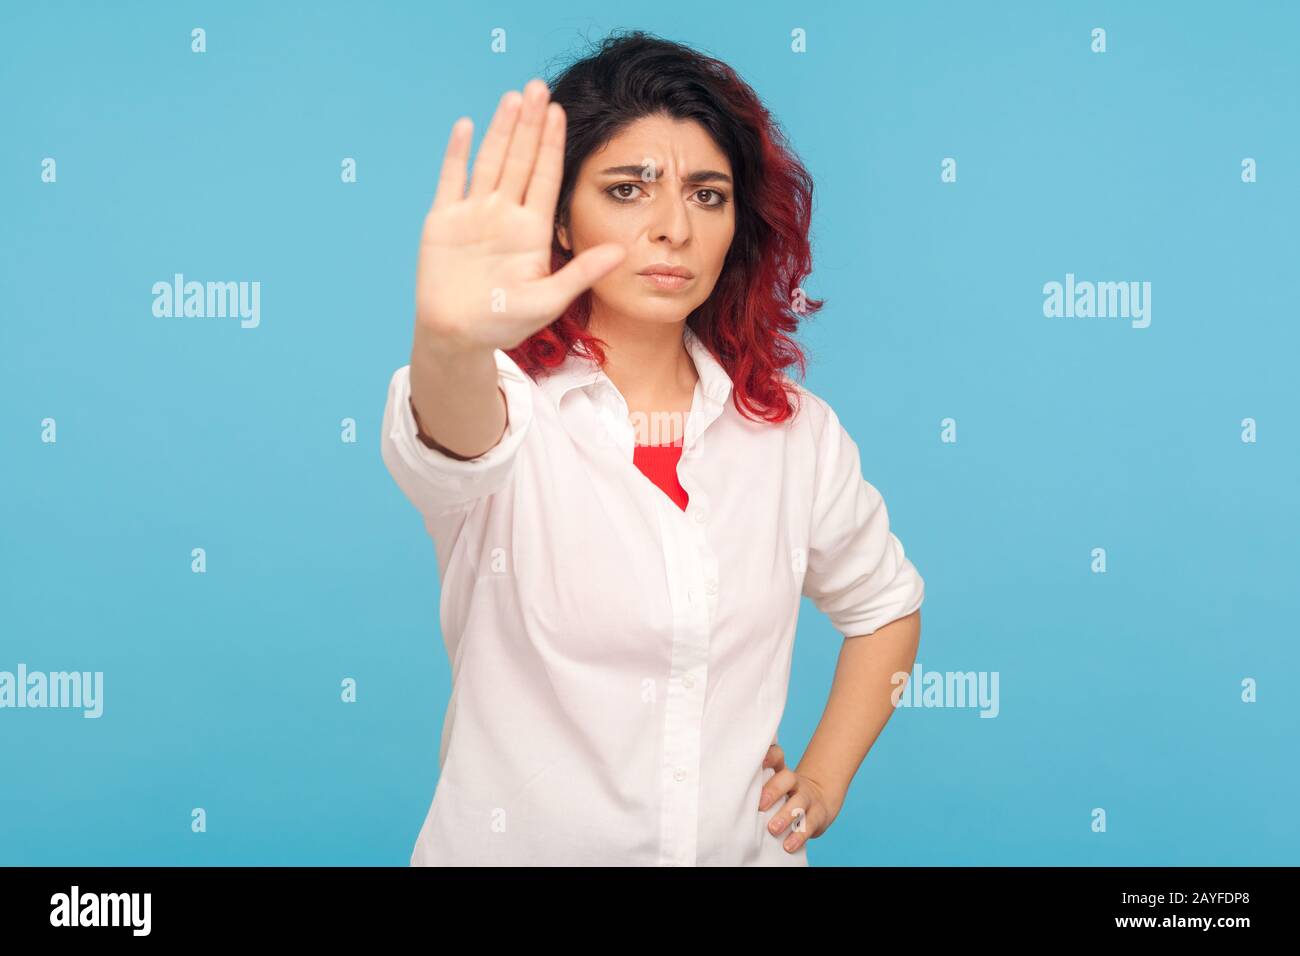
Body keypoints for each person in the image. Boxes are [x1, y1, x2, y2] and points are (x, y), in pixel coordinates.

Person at [380, 30, 925, 866]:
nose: (673, 226)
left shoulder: (795, 433)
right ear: (560, 218)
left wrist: (821, 780)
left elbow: (885, 607)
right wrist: (446, 337)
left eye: (708, 195)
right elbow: (449, 429)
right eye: (628, 189)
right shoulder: (500, 406)